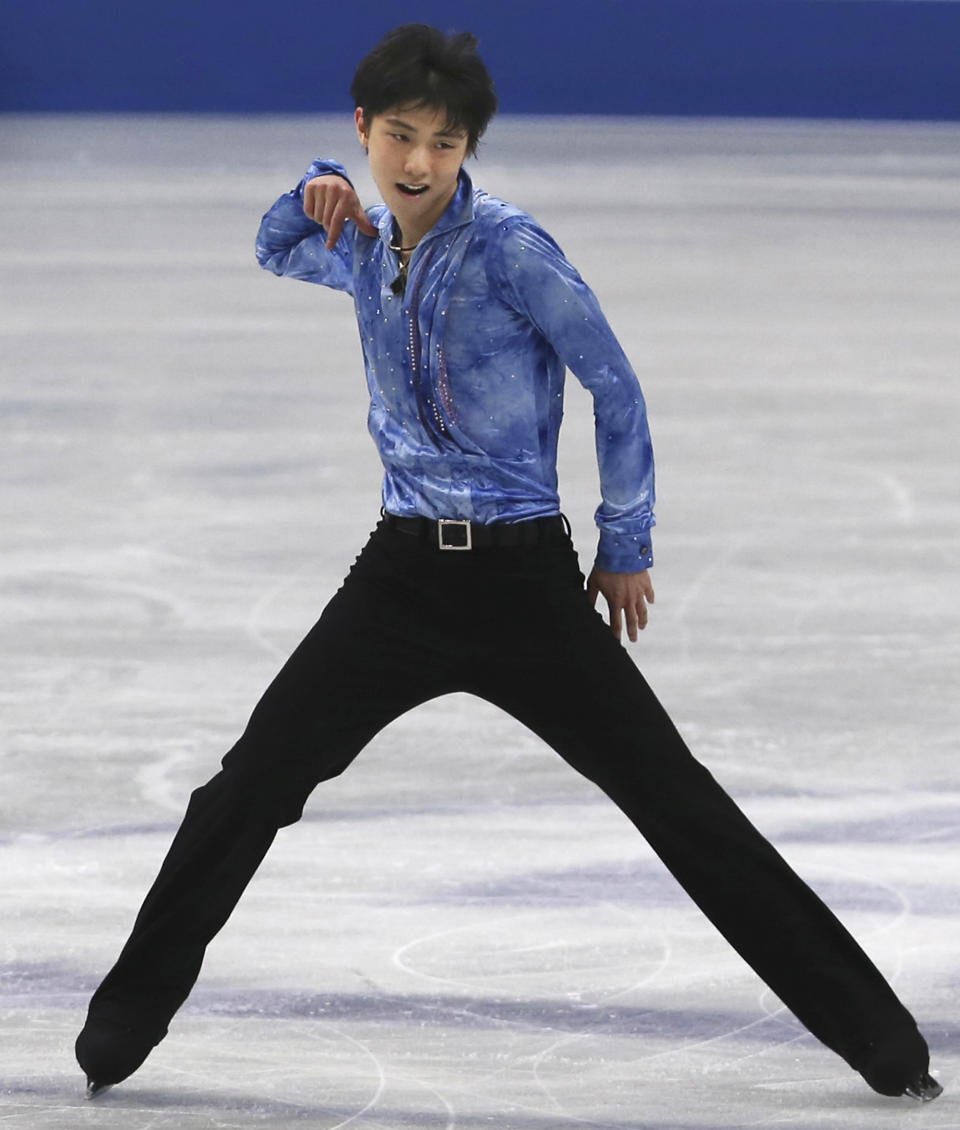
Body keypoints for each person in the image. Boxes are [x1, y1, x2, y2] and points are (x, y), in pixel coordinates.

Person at [76, 23, 942, 1105]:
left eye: (443, 141)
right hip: (397, 581)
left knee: (680, 806)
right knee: (246, 787)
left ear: (469, 145)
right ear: (364, 130)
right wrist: (308, 191)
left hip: (525, 585)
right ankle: (122, 1021)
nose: (419, 163)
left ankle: (885, 1043)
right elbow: (275, 248)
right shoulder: (362, 240)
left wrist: (626, 543)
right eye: (399, 136)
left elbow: (614, 385)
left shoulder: (514, 250)